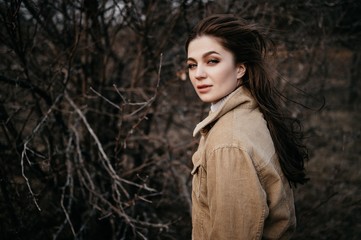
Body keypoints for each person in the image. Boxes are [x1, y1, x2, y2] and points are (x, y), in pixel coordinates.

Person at [185, 14, 309, 240]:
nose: (198, 74)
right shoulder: (252, 113)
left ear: (240, 68)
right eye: (192, 65)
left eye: (212, 61)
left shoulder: (228, 144)